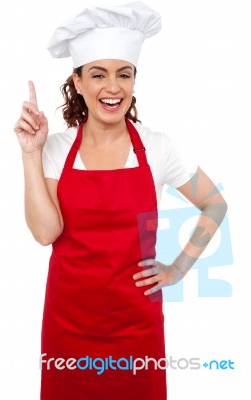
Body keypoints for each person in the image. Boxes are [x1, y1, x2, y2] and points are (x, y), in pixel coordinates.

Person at [13, 2, 227, 399]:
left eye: (123, 74)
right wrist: (30, 153)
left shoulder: (157, 146)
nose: (113, 87)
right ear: (77, 82)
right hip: (68, 324)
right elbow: (46, 233)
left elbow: (215, 204)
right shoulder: (56, 148)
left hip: (136, 325)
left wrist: (178, 269)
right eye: (98, 74)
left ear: (134, 80)